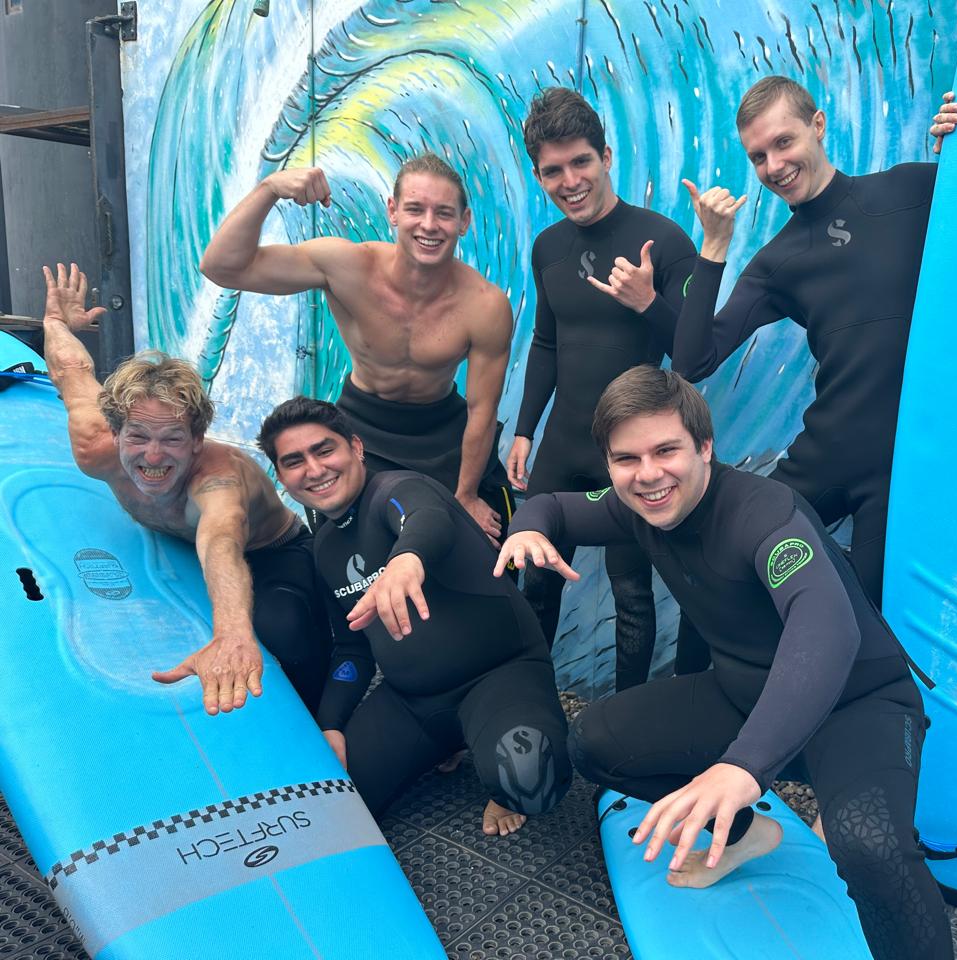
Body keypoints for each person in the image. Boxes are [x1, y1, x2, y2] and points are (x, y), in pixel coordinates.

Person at [495, 367, 952, 960]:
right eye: (626, 458)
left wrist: (744, 766)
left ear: (705, 446)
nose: (648, 474)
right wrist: (526, 529)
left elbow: (827, 629)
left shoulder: (765, 514)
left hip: (857, 707)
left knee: (869, 847)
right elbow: (553, 507)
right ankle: (744, 834)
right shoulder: (634, 506)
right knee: (596, 743)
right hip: (745, 694)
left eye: (666, 451)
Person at [673, 77, 957, 608]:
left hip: (900, 467)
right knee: (723, 570)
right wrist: (713, 245)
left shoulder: (908, 190)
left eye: (783, 142)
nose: (774, 166)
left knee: (870, 622)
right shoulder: (776, 262)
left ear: (818, 125)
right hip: (826, 456)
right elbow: (693, 361)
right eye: (758, 157)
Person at [258, 396, 572, 831]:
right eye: (294, 461)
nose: (314, 469)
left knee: (530, 779)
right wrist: (330, 725)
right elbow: (351, 650)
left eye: (324, 450)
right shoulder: (324, 548)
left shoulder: (398, 490)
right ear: (281, 477)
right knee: (332, 799)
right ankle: (453, 743)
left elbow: (426, 517)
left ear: (356, 448)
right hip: (413, 702)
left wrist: (407, 559)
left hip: (499, 676)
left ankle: (495, 759)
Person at [40, 263, 330, 715]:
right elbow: (71, 371)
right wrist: (57, 323)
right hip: (180, 543)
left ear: (196, 440)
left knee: (285, 628)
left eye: (172, 439)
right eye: (138, 437)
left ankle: (320, 718)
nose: (153, 457)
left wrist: (232, 634)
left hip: (272, 551)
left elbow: (222, 540)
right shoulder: (95, 447)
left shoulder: (217, 481)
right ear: (115, 432)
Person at [200, 153, 514, 544]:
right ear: (393, 211)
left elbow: (482, 409)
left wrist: (465, 494)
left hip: (442, 436)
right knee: (356, 555)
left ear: (463, 222)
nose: (429, 225)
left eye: (444, 213)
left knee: (480, 545)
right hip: (362, 429)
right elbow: (222, 267)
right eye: (415, 209)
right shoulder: (347, 266)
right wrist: (269, 189)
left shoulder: (485, 305)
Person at [509, 86, 707, 687]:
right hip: (562, 444)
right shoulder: (548, 248)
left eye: (581, 162)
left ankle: (627, 717)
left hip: (628, 452)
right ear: (539, 176)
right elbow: (546, 342)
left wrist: (648, 302)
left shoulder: (663, 241)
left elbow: (695, 357)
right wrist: (524, 430)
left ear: (606, 156)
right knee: (535, 583)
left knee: (633, 596)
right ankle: (532, 704)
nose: (569, 181)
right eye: (553, 171)